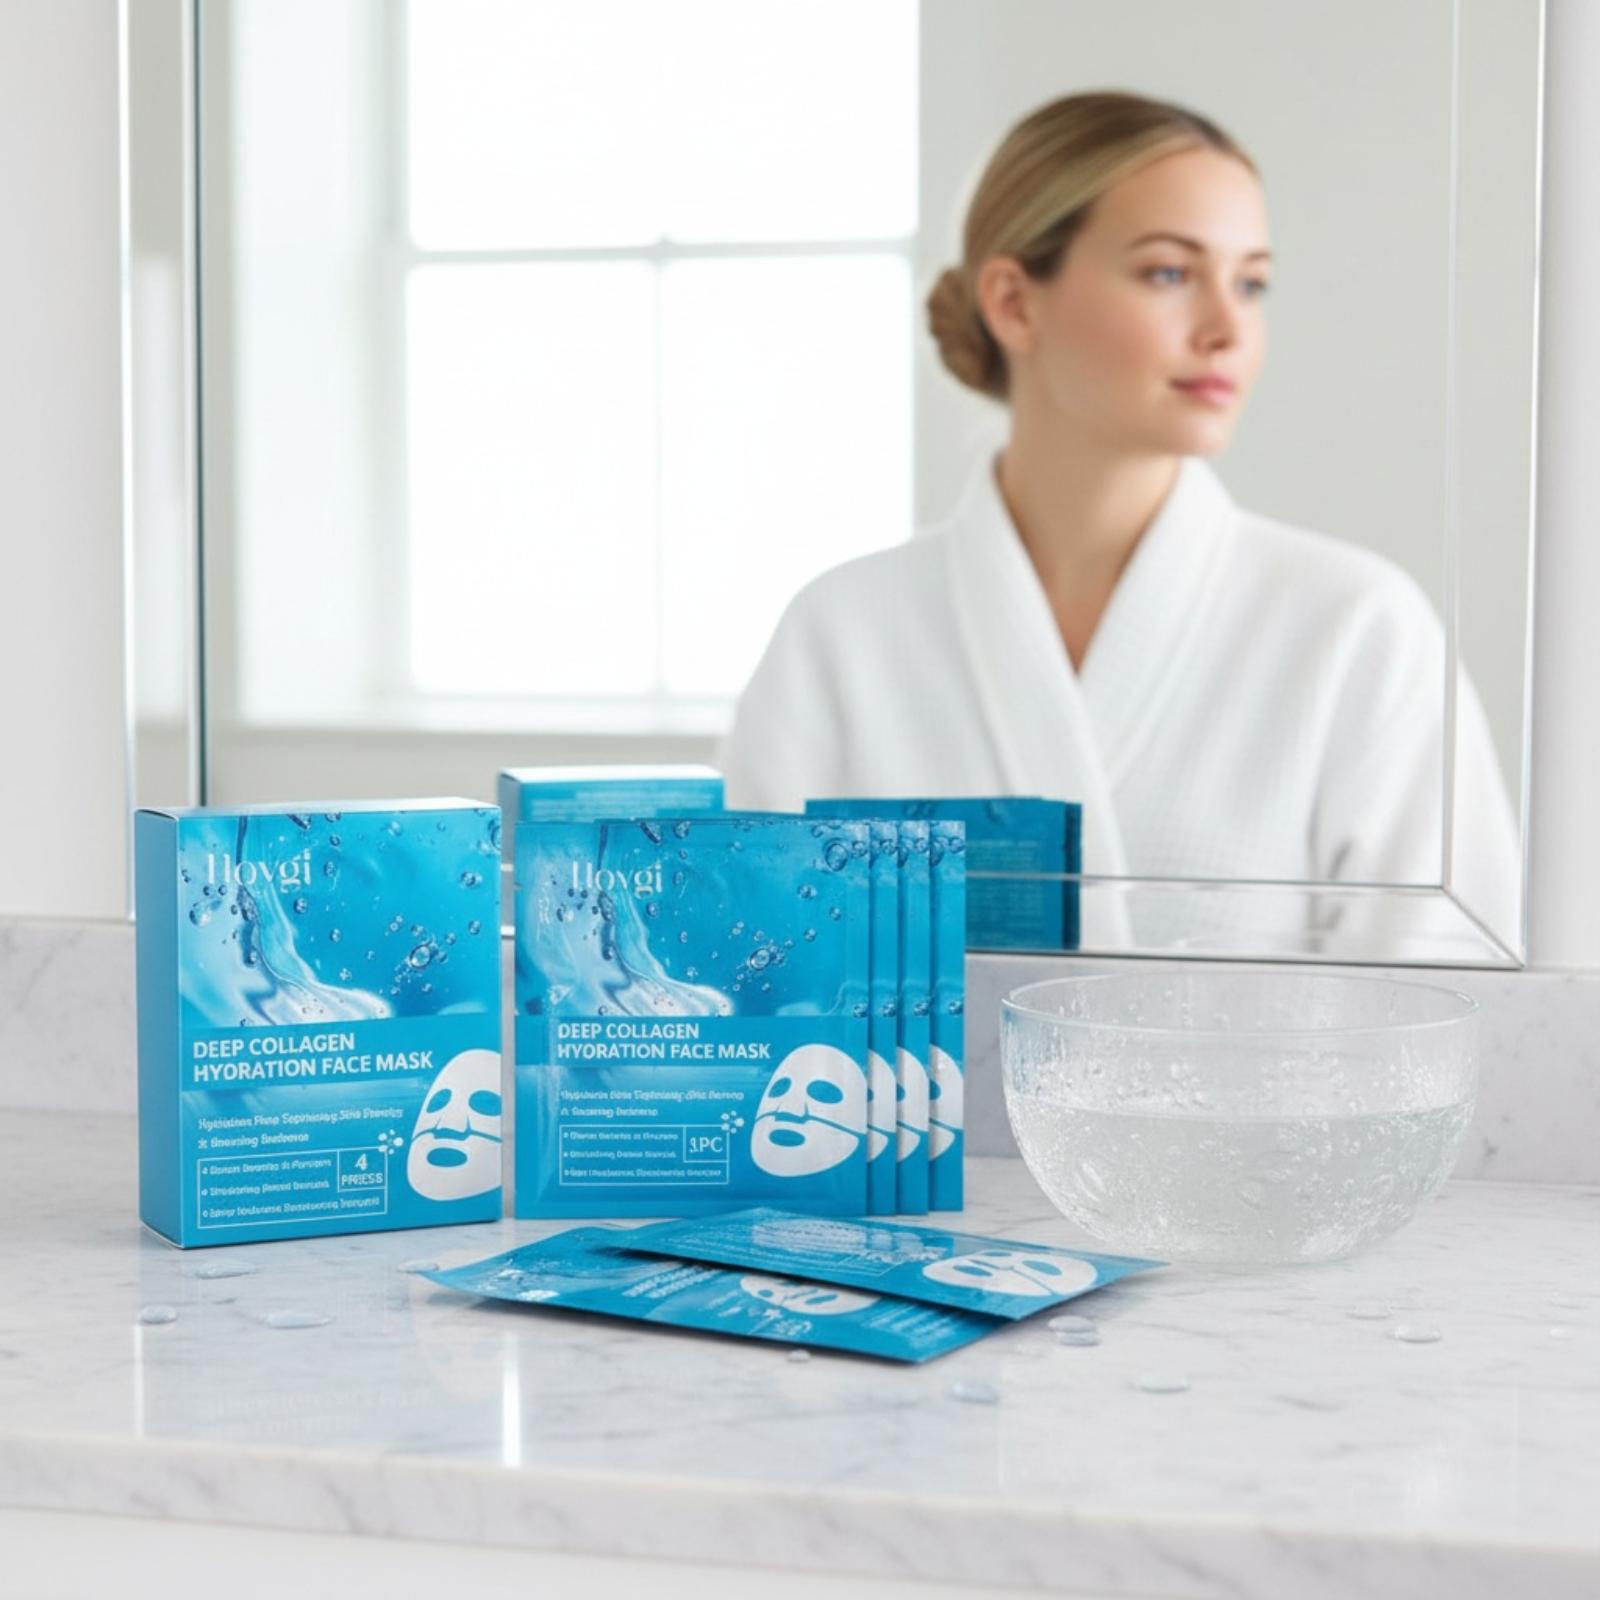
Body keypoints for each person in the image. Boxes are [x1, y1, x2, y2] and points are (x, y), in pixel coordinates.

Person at [720, 91, 1518, 951]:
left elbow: (1455, 995)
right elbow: (749, 971)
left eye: (1251, 283)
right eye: (1169, 273)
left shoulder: (1359, 628)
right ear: (1014, 303)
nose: (1228, 328)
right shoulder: (841, 633)